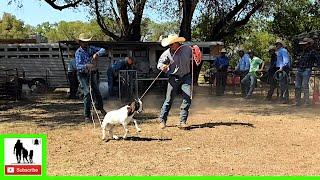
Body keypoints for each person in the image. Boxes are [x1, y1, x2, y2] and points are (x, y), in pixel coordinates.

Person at [157, 34, 192, 129]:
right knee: (169, 99)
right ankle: (162, 120)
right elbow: (159, 64)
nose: (170, 46)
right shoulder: (167, 53)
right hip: (173, 78)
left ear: (177, 43)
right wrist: (162, 67)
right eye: (169, 44)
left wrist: (197, 51)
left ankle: (182, 121)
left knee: (187, 98)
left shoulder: (188, 49)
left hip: (186, 77)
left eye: (171, 44)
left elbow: (196, 54)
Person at [75, 33, 107, 121]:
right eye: (84, 42)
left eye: (87, 42)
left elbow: (103, 50)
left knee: (97, 91)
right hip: (82, 75)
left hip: (91, 74)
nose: (86, 43)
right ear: (80, 42)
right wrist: (86, 66)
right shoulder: (78, 53)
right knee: (87, 93)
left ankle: (100, 108)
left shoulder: (91, 48)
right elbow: (78, 66)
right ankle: (87, 115)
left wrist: (97, 54)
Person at [294, 38, 320, 106]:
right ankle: (298, 101)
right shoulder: (302, 52)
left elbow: (318, 60)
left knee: (304, 85)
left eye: (305, 44)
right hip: (300, 69)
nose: (303, 46)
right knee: (297, 86)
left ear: (309, 44)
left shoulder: (313, 52)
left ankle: (306, 102)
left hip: (307, 69)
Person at [275, 39, 291, 104]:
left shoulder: (283, 50)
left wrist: (282, 68)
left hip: (283, 69)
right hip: (280, 69)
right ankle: (283, 98)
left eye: (277, 44)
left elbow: (286, 60)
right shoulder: (279, 51)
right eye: (276, 44)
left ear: (280, 45)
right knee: (281, 84)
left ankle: (285, 99)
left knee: (283, 84)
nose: (276, 45)